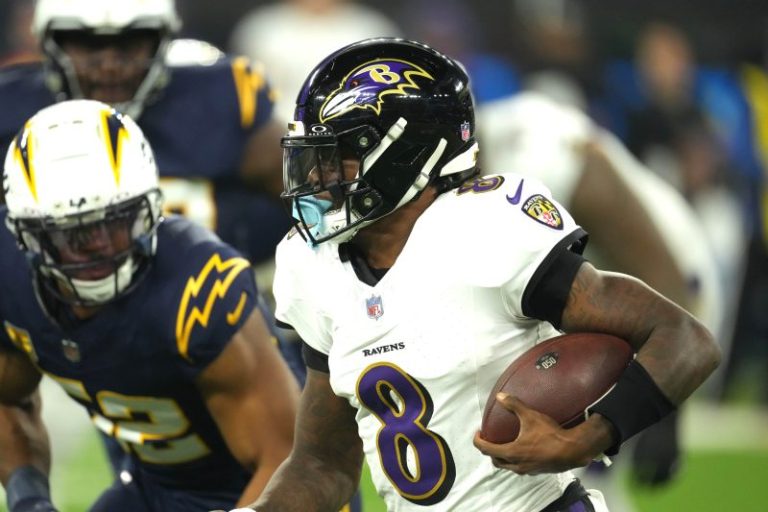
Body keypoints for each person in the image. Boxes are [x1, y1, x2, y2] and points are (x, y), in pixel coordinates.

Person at [224, 38, 720, 512]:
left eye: (340, 158)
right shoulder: (314, 267)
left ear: (404, 154)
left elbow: (684, 336)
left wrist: (592, 436)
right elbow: (321, 465)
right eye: (316, 158)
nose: (318, 177)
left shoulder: (486, 228)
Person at [0, 99, 300, 511]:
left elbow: (286, 460)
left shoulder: (195, 289)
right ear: (27, 236)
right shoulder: (11, 276)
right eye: (72, 234)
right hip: (155, 486)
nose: (98, 247)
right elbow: (8, 398)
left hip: (270, 489)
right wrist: (28, 497)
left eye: (115, 222)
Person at [0, 0, 291, 266]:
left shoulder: (220, 99)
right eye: (88, 44)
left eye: (130, 43)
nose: (110, 65)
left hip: (210, 296)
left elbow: (309, 196)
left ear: (162, 41)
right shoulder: (10, 110)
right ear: (50, 44)